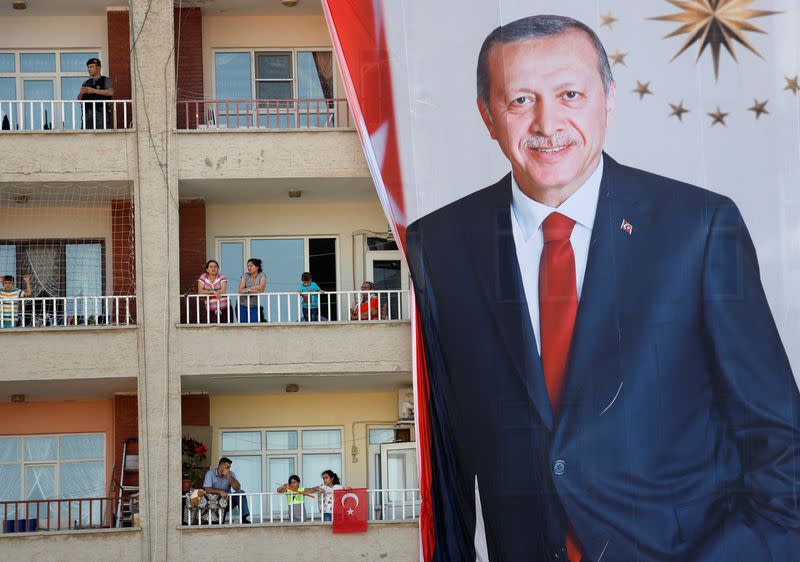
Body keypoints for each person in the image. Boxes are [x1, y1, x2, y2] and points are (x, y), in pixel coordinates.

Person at [405, 14, 800, 562]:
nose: (547, 122)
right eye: (520, 100)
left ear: (608, 101)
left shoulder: (700, 228)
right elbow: (445, 464)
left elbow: (780, 441)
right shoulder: (438, 246)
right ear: (487, 115)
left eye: (570, 94)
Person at [202, 457, 250, 524]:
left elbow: (237, 488)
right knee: (219, 524)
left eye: (229, 468)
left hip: (227, 501)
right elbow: (207, 489)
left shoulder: (230, 474)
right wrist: (219, 492)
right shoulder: (210, 473)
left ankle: (244, 518)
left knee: (241, 492)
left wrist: (229, 477)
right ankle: (220, 521)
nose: (228, 469)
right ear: (220, 466)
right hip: (215, 502)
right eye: (227, 467)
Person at [77, 58, 114, 130]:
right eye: (88, 67)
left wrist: (94, 91)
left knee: (103, 137)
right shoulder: (86, 83)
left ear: (98, 68)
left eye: (91, 67)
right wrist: (81, 93)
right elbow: (79, 100)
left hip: (101, 116)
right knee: (86, 138)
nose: (89, 69)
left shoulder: (105, 80)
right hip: (88, 117)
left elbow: (111, 92)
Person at [238, 258, 266, 323]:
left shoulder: (262, 275)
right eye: (248, 266)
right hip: (242, 305)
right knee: (243, 326)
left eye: (251, 266)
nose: (249, 268)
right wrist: (253, 289)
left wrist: (247, 289)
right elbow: (241, 290)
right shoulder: (245, 275)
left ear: (257, 267)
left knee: (254, 325)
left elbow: (261, 289)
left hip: (254, 305)